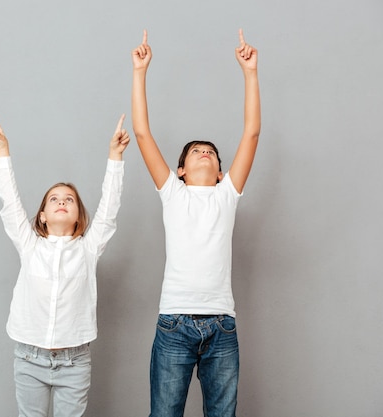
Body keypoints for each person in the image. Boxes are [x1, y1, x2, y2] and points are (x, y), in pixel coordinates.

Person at [131, 29, 260, 417]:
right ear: (181, 170)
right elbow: (141, 133)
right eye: (195, 152)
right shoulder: (173, 192)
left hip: (223, 326)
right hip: (174, 323)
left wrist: (250, 73)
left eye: (211, 153)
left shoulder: (227, 194)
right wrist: (140, 72)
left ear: (221, 172)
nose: (204, 154)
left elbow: (251, 133)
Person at [0, 113, 130, 417]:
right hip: (28, 358)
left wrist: (115, 157)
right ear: (42, 215)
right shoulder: (29, 245)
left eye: (69, 199)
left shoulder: (88, 249)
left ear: (78, 216)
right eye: (54, 199)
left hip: (75, 362)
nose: (62, 201)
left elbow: (109, 210)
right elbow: (10, 204)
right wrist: (2, 154)